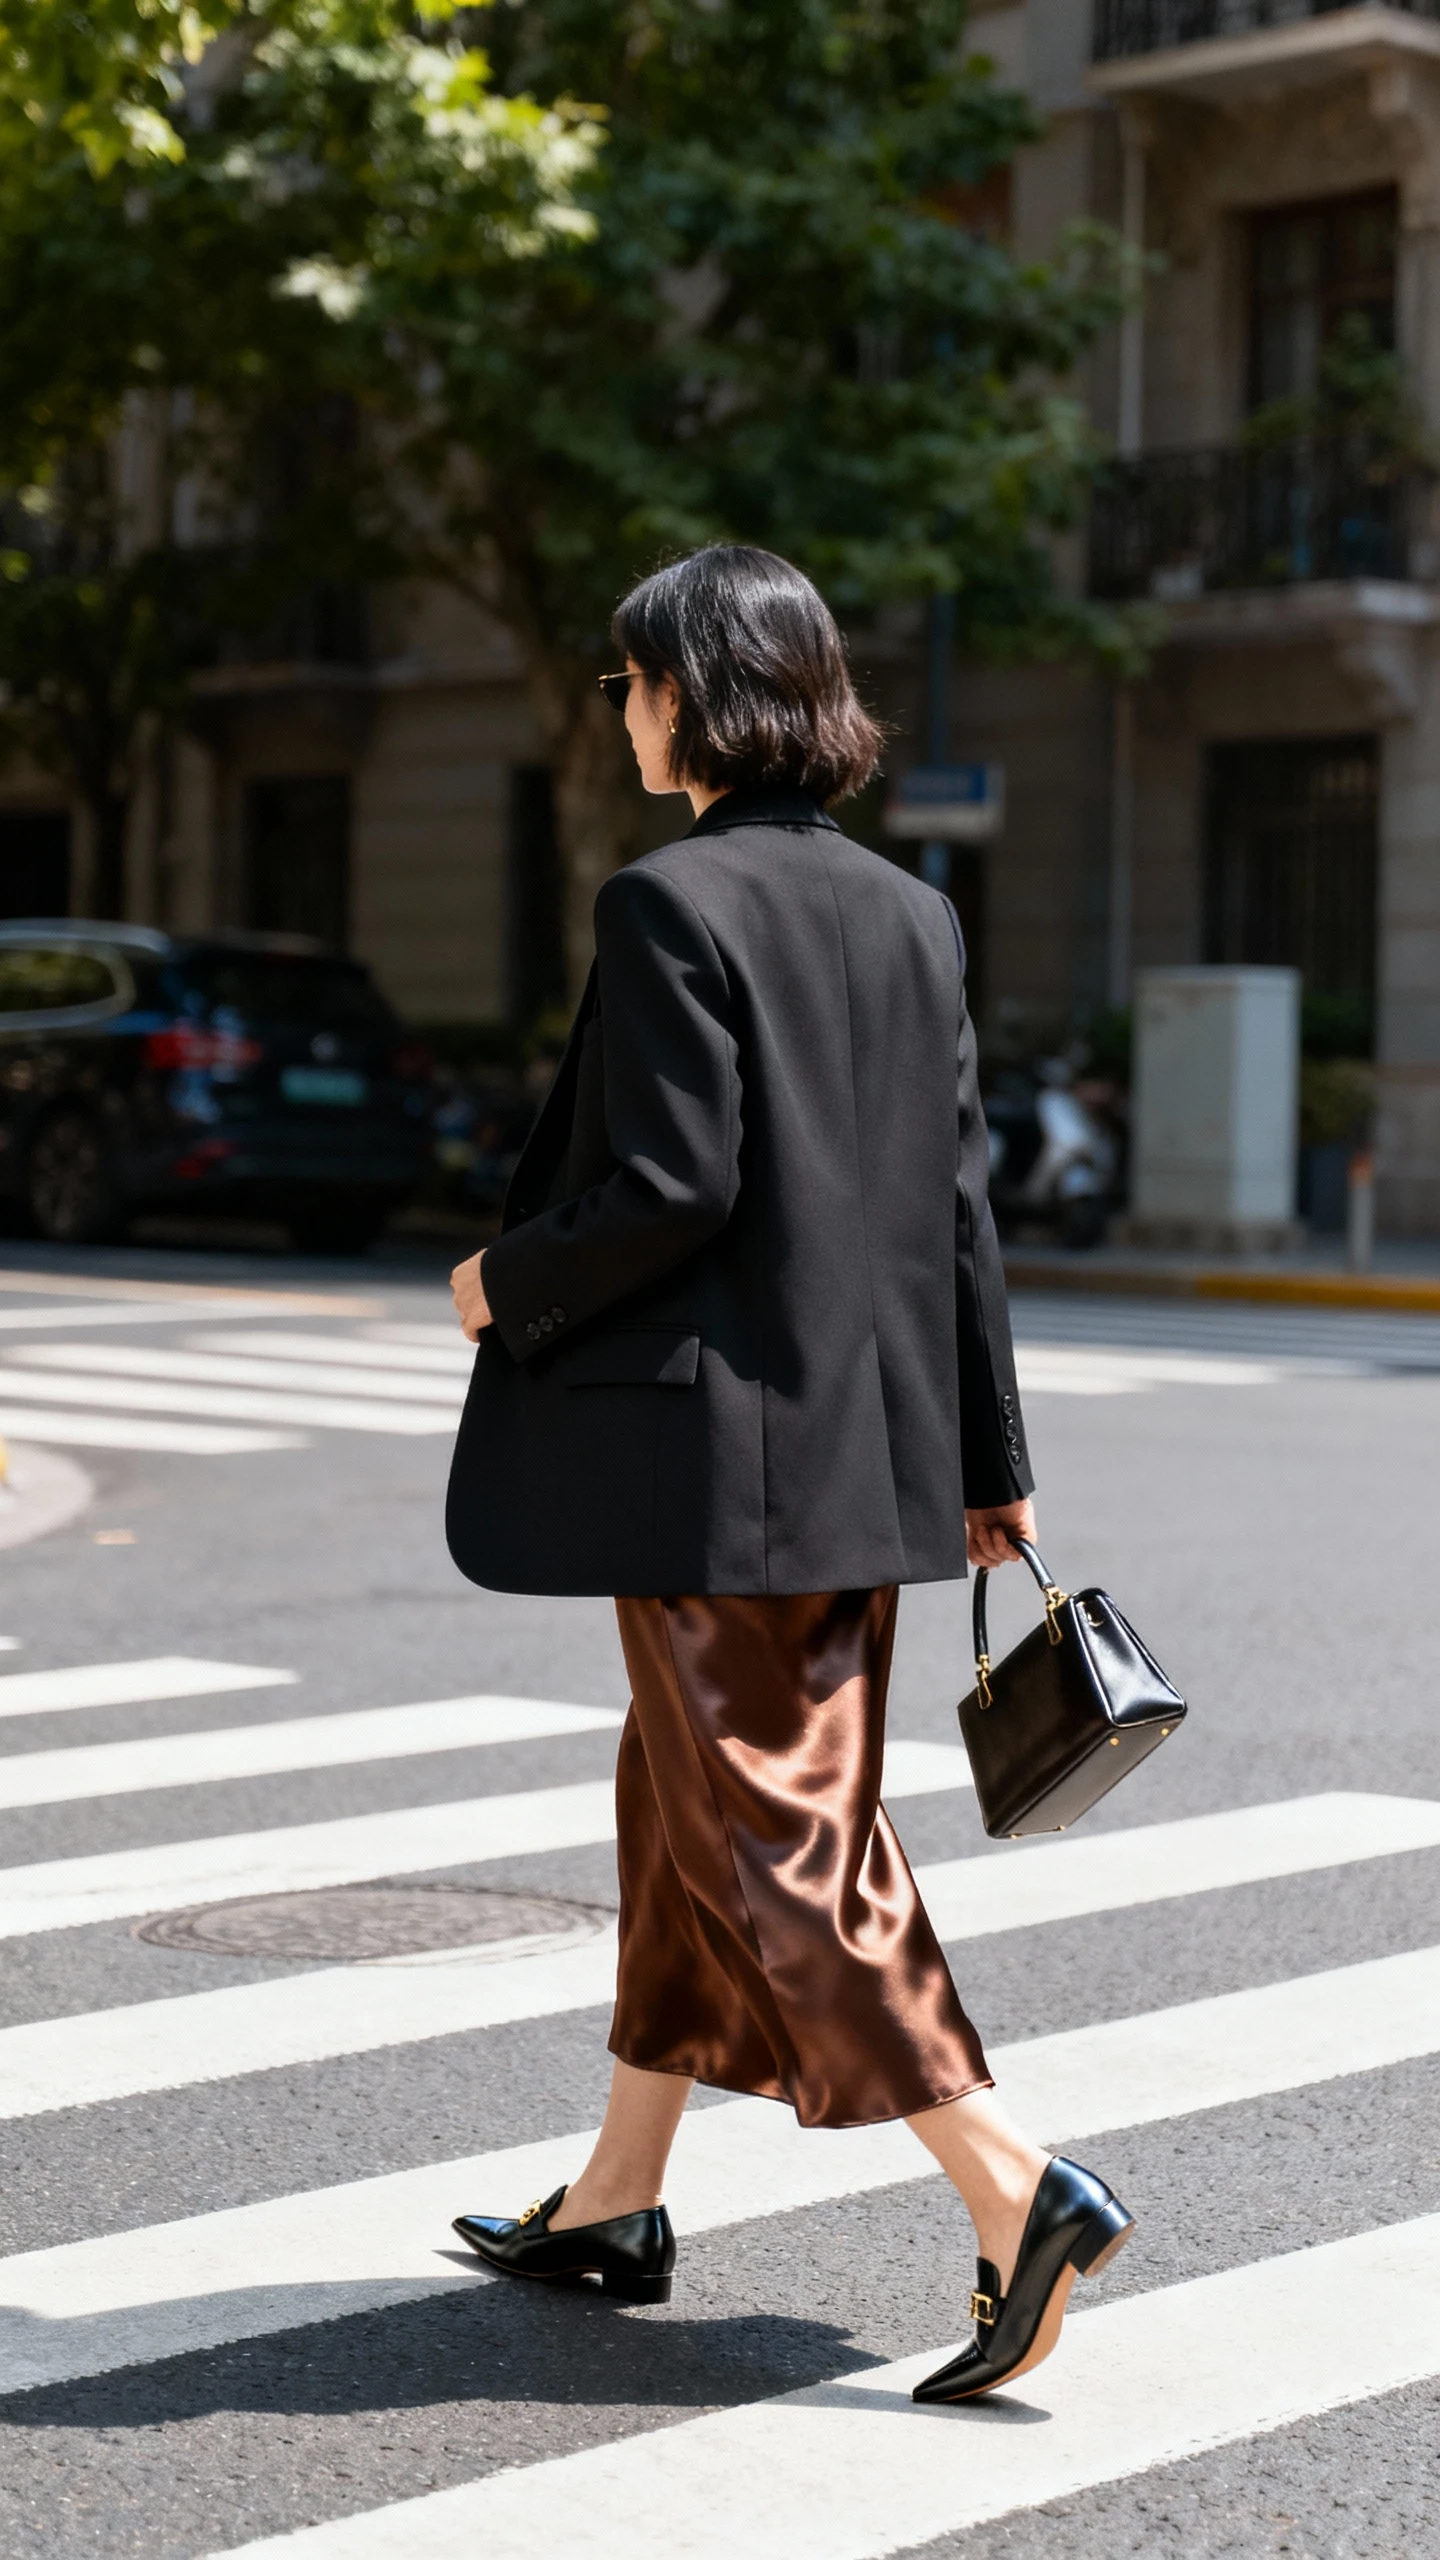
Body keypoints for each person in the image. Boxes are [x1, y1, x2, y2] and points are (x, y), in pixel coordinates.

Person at [444, 544, 1133, 2403]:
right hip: (867, 1460)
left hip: (718, 1471)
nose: (625, 707)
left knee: (778, 1837)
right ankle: (617, 2196)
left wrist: (507, 1281)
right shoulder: (915, 916)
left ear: (702, 693)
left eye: (634, 677)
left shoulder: (668, 907)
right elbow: (958, 1213)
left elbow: (675, 1188)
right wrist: (996, 1463)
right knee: (689, 1814)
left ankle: (1017, 2184)